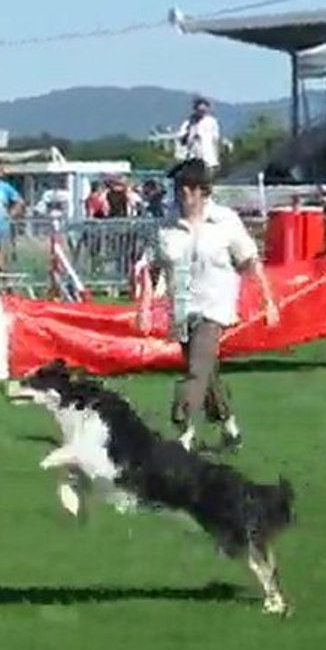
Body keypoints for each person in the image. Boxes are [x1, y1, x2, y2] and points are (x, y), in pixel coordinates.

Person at [137, 159, 279, 452]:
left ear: (203, 190)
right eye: (180, 188)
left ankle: (183, 430)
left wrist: (268, 301)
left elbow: (250, 260)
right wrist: (144, 308)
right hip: (181, 308)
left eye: (190, 188)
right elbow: (150, 268)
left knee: (196, 370)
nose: (183, 194)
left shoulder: (225, 221)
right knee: (205, 371)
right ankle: (229, 428)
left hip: (214, 306)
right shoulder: (166, 226)